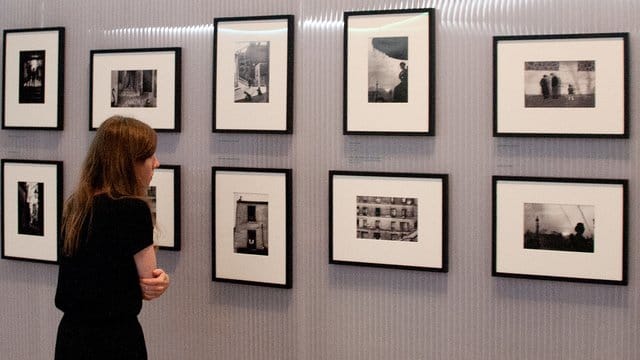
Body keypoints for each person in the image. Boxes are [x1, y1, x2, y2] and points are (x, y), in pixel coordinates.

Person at [54, 115, 170, 360]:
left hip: (71, 338)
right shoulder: (133, 210)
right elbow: (148, 284)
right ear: (130, 163)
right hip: (116, 340)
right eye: (150, 156)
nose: (156, 163)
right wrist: (161, 281)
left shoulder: (75, 206)